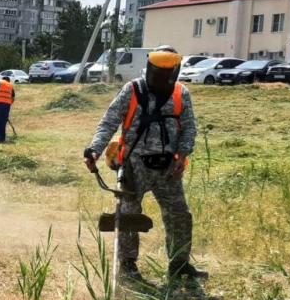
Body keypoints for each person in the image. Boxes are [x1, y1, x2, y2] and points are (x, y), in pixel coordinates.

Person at [83, 46, 207, 284]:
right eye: (158, 69)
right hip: (134, 165)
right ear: (150, 67)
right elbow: (109, 122)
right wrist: (95, 150)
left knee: (180, 215)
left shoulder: (181, 93)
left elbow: (189, 127)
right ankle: (128, 268)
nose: (161, 75)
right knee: (128, 216)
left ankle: (179, 265)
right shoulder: (132, 90)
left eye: (166, 70)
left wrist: (182, 154)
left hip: (168, 168)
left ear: (174, 70)